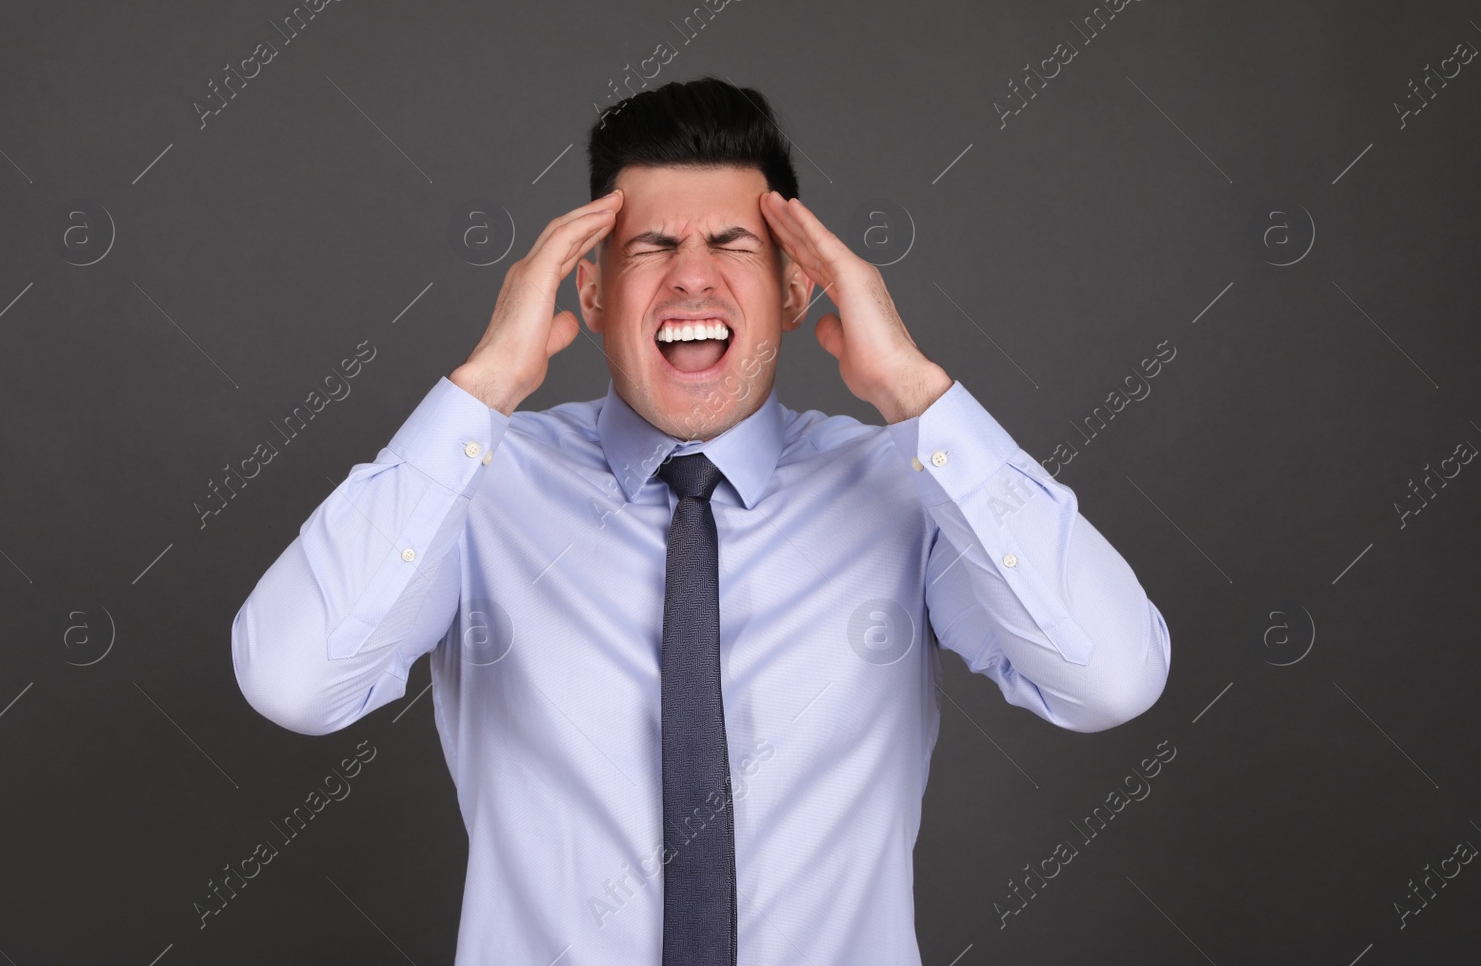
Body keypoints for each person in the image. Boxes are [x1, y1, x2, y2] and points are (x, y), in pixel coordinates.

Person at [231, 76, 1171, 964]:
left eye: (731, 245)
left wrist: (918, 395)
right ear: (591, 294)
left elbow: (1111, 678)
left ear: (798, 288)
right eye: (649, 247)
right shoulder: (475, 484)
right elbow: (294, 681)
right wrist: (481, 389)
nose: (690, 279)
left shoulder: (905, 486)